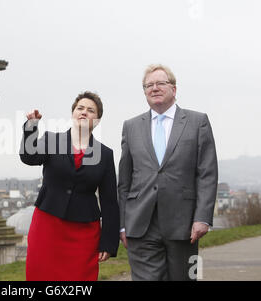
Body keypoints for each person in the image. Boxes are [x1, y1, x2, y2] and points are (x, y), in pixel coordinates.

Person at [118, 64, 218, 281]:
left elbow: (207, 174)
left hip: (183, 224)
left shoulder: (197, 122)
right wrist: (122, 223)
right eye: (149, 85)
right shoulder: (131, 126)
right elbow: (124, 181)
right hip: (140, 224)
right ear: (144, 92)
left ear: (174, 88)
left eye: (160, 83)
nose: (154, 88)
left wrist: (202, 217)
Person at [20, 91, 120, 281]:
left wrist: (108, 243)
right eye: (80, 108)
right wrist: (31, 128)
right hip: (47, 226)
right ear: (73, 113)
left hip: (83, 232)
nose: (84, 112)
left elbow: (109, 201)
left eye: (90, 110)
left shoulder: (105, 154)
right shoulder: (51, 140)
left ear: (97, 120)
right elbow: (29, 157)